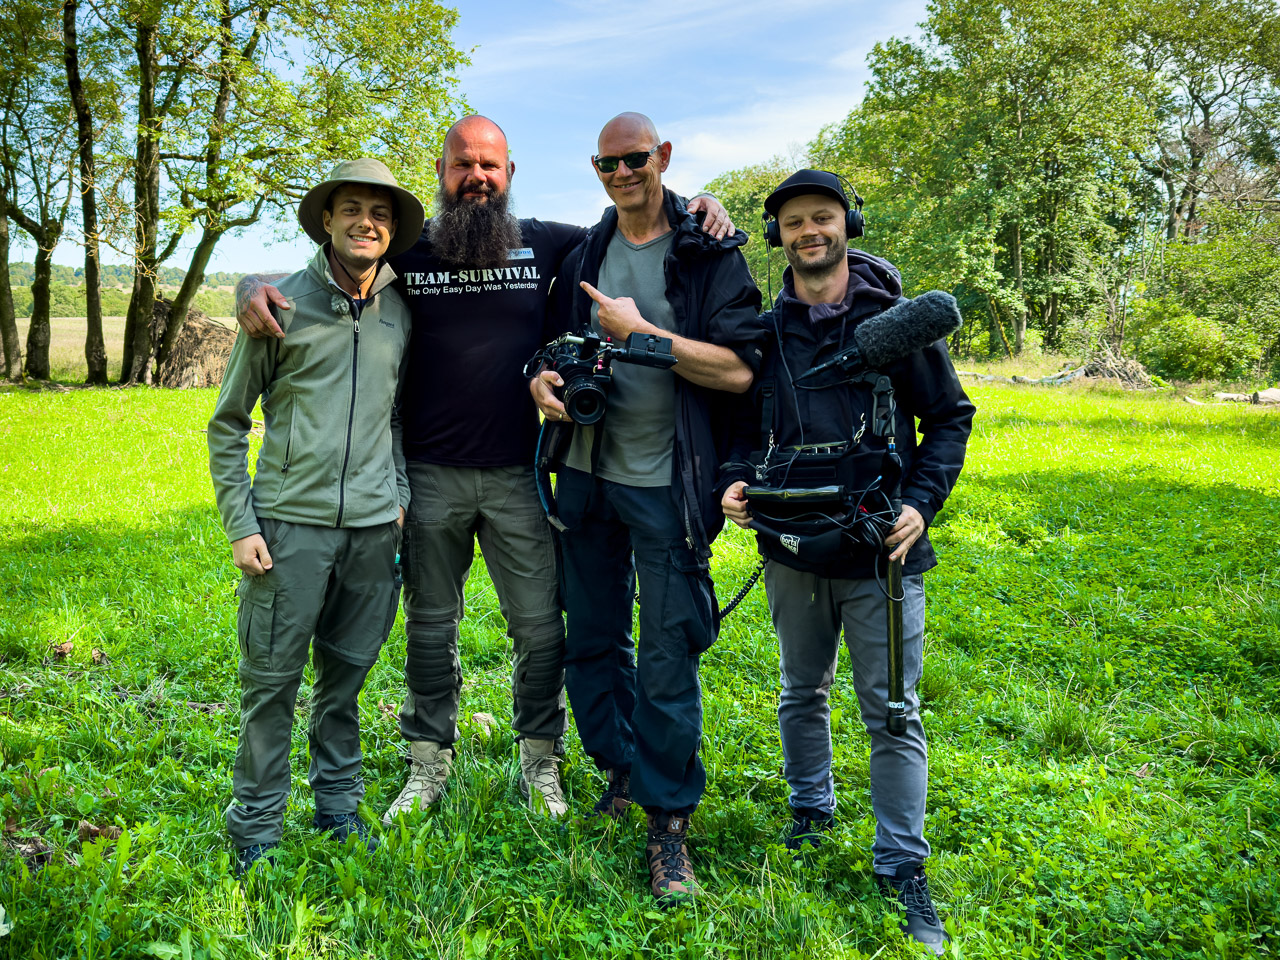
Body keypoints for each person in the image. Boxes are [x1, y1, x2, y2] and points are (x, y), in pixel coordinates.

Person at [234, 116, 736, 823]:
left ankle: (540, 760)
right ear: (441, 173)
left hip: (520, 473)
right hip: (427, 474)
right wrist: (248, 285)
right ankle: (427, 761)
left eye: (489, 165)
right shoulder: (407, 251)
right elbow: (323, 272)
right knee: (429, 627)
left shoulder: (549, 241)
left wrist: (700, 205)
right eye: (463, 164)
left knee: (541, 629)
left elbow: (635, 215)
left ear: (509, 173)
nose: (477, 177)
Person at [717, 169, 974, 954]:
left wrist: (921, 503)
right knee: (801, 690)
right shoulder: (765, 334)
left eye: (822, 217)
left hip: (882, 553)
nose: (809, 231)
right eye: (794, 221)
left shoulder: (897, 325)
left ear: (848, 224)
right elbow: (741, 428)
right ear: (777, 236)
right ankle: (810, 809)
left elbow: (950, 418)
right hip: (791, 547)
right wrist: (736, 479)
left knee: (893, 711)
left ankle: (902, 865)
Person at [529, 112, 764, 906]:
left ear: (662, 156)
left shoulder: (707, 251)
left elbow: (740, 371)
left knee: (667, 652)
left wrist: (643, 336)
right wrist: (542, 381)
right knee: (592, 641)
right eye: (608, 164)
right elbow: (552, 346)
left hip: (667, 481)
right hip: (584, 475)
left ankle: (669, 823)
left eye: (635, 159)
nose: (623, 174)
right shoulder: (584, 252)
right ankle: (621, 768)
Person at [208, 158, 424, 876]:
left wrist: (396, 496)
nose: (367, 223)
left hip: (373, 533)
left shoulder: (400, 312)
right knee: (271, 684)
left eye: (380, 213)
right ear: (327, 220)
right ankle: (256, 828)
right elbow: (228, 423)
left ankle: (337, 808)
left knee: (346, 681)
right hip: (287, 530)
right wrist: (242, 524)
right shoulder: (280, 305)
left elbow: (395, 415)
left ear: (392, 230)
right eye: (352, 209)